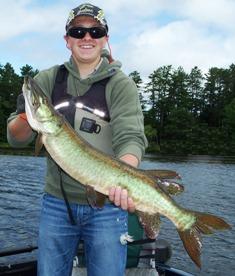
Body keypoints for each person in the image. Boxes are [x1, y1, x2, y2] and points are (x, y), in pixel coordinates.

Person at [7, 3, 147, 276]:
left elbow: (130, 137)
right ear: (67, 39)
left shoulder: (121, 84)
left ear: (105, 38)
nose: (87, 37)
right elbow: (16, 139)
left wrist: (124, 179)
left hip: (108, 205)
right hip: (57, 204)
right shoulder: (47, 79)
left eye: (95, 31)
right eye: (78, 31)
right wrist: (27, 115)